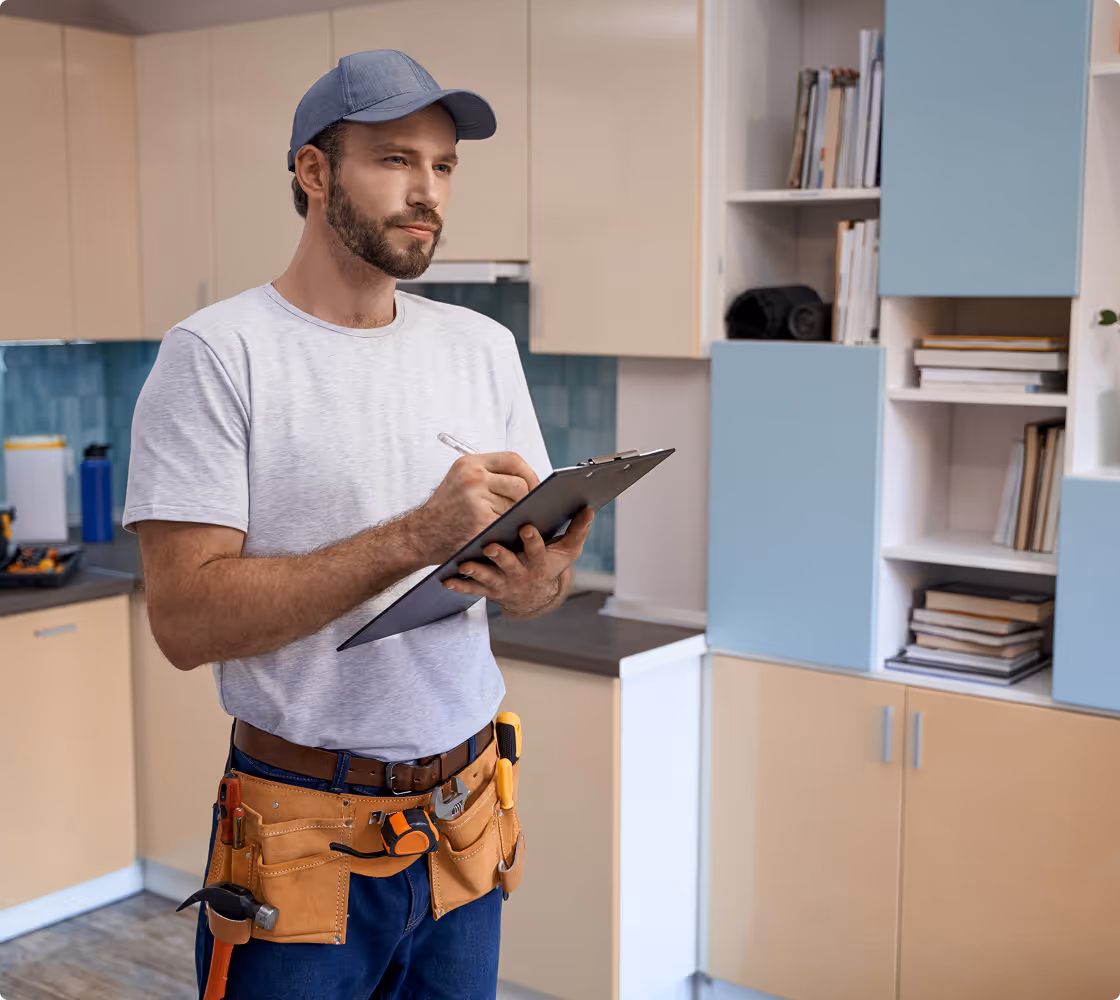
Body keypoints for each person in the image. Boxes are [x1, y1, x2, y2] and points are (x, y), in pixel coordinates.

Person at [124, 48, 592, 1000]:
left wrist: (538, 580)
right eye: (395, 160)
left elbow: (547, 586)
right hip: (299, 841)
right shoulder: (218, 355)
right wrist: (419, 535)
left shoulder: (483, 348)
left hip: (466, 827)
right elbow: (184, 622)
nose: (428, 192)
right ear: (313, 171)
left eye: (444, 165)